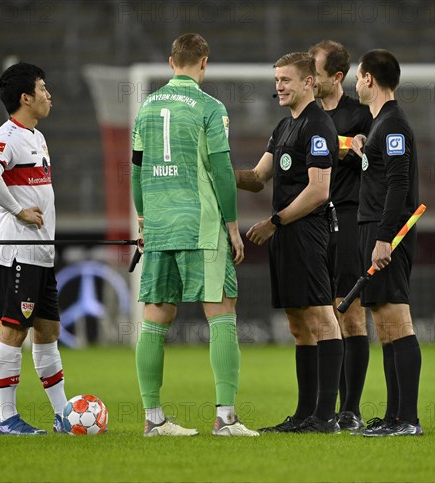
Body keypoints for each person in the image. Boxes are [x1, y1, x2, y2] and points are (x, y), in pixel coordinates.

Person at [131, 33, 258, 437]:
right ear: (204, 62)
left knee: (155, 317)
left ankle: (154, 420)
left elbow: (135, 170)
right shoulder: (209, 107)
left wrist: (142, 219)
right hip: (200, 223)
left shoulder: (147, 107)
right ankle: (226, 418)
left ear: (171, 62)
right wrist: (233, 226)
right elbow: (222, 170)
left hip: (159, 222)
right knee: (221, 311)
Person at [236, 52, 343, 434]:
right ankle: (304, 415)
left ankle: (326, 417)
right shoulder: (284, 126)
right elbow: (259, 177)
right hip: (285, 232)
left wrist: (274, 221)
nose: (278, 86)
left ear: (308, 82)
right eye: (276, 79)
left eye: (286, 80)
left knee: (322, 318)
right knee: (299, 324)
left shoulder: (318, 126)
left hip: (307, 231)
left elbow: (318, 191)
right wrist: (216, 170)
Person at [0, 62, 68, 435]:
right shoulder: (8, 135)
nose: (49, 95)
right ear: (25, 97)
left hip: (40, 252)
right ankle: (7, 418)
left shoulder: (37, 137)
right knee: (14, 330)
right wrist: (17, 210)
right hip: (17, 250)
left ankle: (64, 414)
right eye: (43, 89)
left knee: (47, 331)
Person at [352, 49, 423, 436]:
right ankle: (395, 416)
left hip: (387, 235)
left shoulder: (393, 125)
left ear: (369, 79)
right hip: (374, 230)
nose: (355, 82)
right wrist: (365, 151)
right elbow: (384, 175)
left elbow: (399, 185)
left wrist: (383, 239)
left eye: (358, 76)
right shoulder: (380, 126)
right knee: (385, 324)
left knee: (397, 320)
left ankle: (408, 419)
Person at [309, 40, 373, 431]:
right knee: (321, 317)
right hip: (313, 221)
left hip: (349, 219)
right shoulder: (306, 114)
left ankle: (350, 408)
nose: (309, 79)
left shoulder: (361, 115)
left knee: (350, 313)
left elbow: (372, 158)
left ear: (336, 77)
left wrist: (350, 147)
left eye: (314, 72)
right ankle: (323, 409)